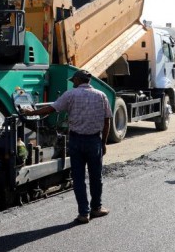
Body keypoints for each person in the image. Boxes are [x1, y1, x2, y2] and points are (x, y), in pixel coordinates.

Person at [22, 69, 112, 224]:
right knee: (96, 177)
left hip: (76, 141)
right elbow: (107, 121)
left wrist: (31, 113)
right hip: (94, 141)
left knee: (78, 178)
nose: (72, 83)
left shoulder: (70, 95)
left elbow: (51, 109)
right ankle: (96, 208)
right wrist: (103, 143)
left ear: (78, 80)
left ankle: (84, 213)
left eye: (73, 80)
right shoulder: (101, 95)